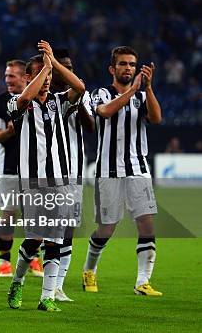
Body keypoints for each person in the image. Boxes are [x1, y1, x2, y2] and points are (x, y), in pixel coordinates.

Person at [6, 41, 85, 312]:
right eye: (42, 74)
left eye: (50, 76)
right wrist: (46, 67)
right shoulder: (17, 103)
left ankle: (46, 297)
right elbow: (25, 99)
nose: (48, 80)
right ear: (28, 77)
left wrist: (54, 63)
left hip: (61, 181)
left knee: (55, 238)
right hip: (33, 182)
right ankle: (17, 282)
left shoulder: (59, 102)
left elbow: (80, 88)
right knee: (35, 239)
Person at [83, 46, 162, 296]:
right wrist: (133, 91)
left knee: (147, 225)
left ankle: (142, 282)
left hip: (138, 169)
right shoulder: (101, 94)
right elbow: (104, 113)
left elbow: (157, 118)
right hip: (108, 171)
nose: (128, 68)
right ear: (112, 69)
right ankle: (89, 270)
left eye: (132, 64)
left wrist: (147, 88)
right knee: (107, 228)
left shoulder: (141, 95)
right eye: (123, 64)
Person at [0, 59, 43, 278]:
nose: (7, 80)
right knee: (8, 216)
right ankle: (4, 261)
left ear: (25, 77)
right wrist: (9, 132)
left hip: (34, 169)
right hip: (9, 168)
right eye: (6, 76)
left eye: (12, 76)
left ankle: (32, 258)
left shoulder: (37, 99)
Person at [48, 48, 94, 302]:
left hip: (73, 170)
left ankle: (58, 285)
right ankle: (34, 278)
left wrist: (78, 105)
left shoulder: (79, 96)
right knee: (46, 230)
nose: (68, 70)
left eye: (70, 66)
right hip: (46, 171)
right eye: (62, 65)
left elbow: (90, 127)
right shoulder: (44, 94)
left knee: (67, 227)